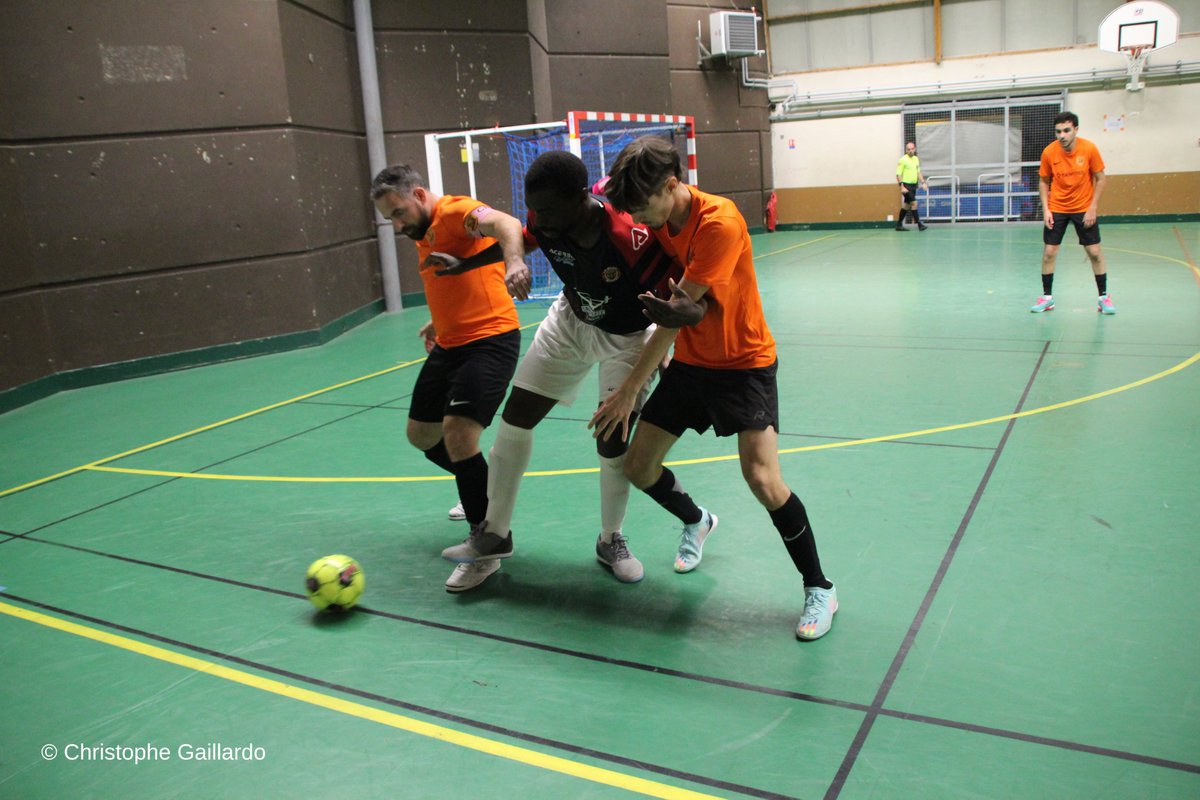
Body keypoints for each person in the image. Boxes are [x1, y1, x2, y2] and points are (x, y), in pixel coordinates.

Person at [589, 136, 838, 641]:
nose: (640, 218)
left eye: (644, 206)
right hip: (693, 364)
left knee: (763, 480)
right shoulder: (655, 216)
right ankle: (698, 520)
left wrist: (628, 390)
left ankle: (820, 587)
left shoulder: (719, 223)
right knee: (638, 466)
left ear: (672, 185)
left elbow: (678, 315)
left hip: (744, 363)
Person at [430, 150, 685, 592]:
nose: (538, 218)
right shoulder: (546, 220)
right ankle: (493, 536)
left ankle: (611, 539)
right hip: (571, 321)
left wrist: (663, 356)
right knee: (515, 419)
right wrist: (465, 264)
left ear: (581, 199)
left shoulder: (628, 237)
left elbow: (674, 302)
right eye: (534, 209)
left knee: (612, 441)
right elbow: (523, 239)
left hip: (628, 336)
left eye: (547, 210)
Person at [369, 165, 531, 557]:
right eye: (389, 218)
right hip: (451, 341)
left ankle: (491, 537)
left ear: (420, 195)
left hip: (490, 339)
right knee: (422, 434)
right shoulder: (421, 229)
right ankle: (484, 491)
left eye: (398, 212)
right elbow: (459, 278)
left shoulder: (457, 212)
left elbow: (508, 224)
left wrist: (513, 263)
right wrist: (439, 319)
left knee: (458, 434)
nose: (395, 224)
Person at [1030, 112, 1115, 315]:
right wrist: (1046, 209)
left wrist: (1093, 207)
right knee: (1049, 253)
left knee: (1094, 253)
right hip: (1057, 207)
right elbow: (1043, 181)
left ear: (1076, 129)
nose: (1062, 135)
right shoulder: (1049, 152)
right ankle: (1047, 298)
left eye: (1066, 130)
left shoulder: (1089, 149)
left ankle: (1103, 297)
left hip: (1083, 208)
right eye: (1058, 131)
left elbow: (1101, 179)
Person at [895, 141, 928, 231]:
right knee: (914, 203)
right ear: (906, 150)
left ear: (915, 149)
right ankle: (919, 225)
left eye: (912, 149)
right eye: (908, 149)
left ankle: (899, 225)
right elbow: (898, 174)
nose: (910, 151)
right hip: (906, 185)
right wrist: (902, 187)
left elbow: (918, 172)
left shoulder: (916, 159)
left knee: (906, 205)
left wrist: (923, 182)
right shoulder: (903, 160)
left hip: (913, 185)